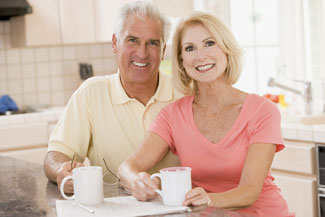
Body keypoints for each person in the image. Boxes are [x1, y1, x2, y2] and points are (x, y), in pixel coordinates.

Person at [118, 12, 294, 217]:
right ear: (182, 60)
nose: (201, 56)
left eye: (209, 43)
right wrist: (137, 181)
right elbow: (127, 167)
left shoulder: (263, 111)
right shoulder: (173, 116)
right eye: (190, 48)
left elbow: (250, 191)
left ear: (226, 49)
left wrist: (208, 199)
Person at [44, 1, 182, 194]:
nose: (142, 53)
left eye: (152, 43)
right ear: (115, 44)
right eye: (132, 40)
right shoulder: (91, 94)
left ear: (163, 51)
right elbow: (56, 155)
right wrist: (62, 170)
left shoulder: (184, 92)